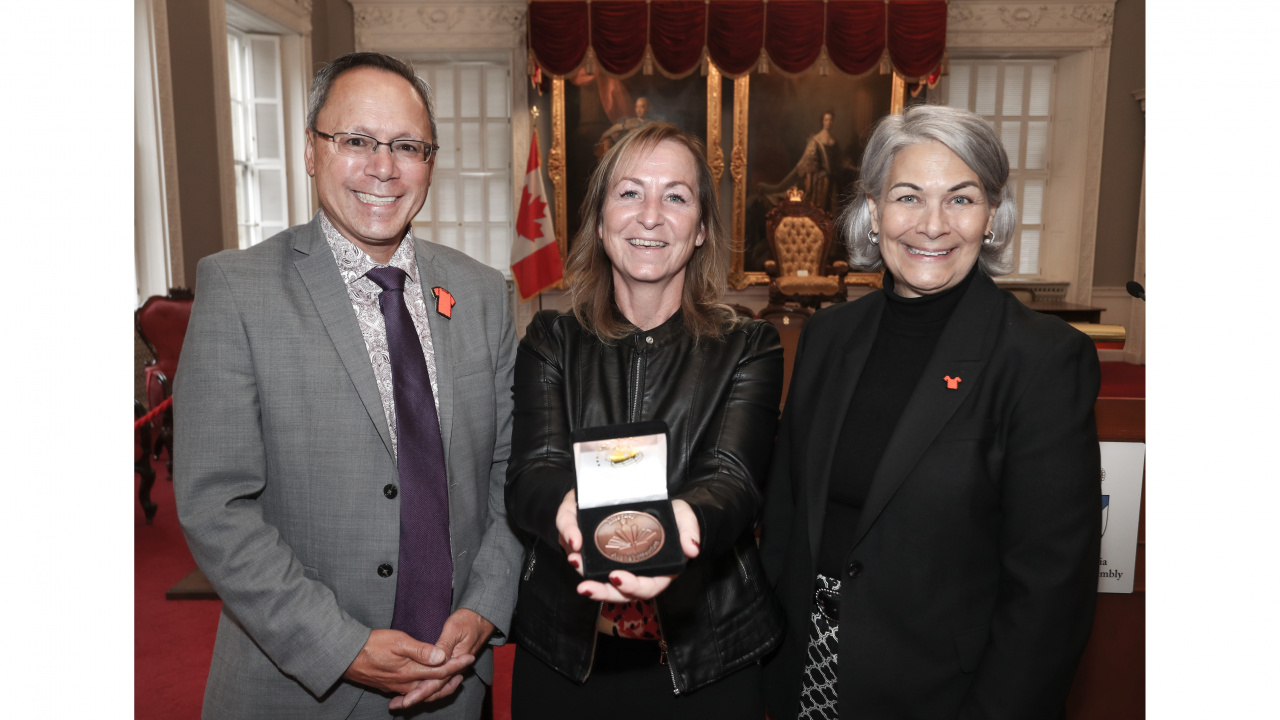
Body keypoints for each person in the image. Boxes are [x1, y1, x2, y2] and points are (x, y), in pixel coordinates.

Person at [174, 52, 522, 719]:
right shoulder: (237, 290)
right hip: (301, 689)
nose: (383, 167)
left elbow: (510, 475)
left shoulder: (481, 293)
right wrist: (343, 647)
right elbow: (217, 507)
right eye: (355, 140)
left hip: (456, 682)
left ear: (431, 160)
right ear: (310, 150)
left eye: (407, 146)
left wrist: (482, 609)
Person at [759, 104, 1101, 719]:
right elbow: (784, 517)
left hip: (941, 695)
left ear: (993, 216)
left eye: (961, 199)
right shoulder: (828, 336)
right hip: (802, 672)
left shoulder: (1043, 360)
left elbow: (1049, 596)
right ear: (873, 209)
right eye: (909, 197)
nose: (932, 225)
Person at [505, 122, 786, 719]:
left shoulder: (750, 344)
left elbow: (732, 479)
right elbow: (533, 471)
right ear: (601, 220)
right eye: (629, 193)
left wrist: (672, 535)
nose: (651, 216)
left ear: (702, 227)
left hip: (707, 661)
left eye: (676, 197)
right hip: (565, 659)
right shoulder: (550, 339)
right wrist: (571, 519)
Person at [759, 110, 852, 214]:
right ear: (822, 121)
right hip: (819, 183)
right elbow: (809, 163)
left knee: (831, 212)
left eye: (830, 120)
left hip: (832, 182)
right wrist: (809, 181)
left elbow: (839, 160)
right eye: (826, 120)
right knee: (818, 212)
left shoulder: (834, 141)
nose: (828, 122)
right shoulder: (816, 140)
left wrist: (851, 167)